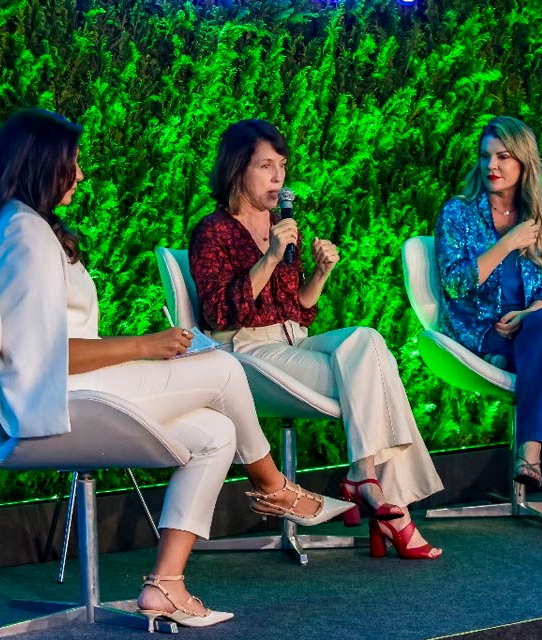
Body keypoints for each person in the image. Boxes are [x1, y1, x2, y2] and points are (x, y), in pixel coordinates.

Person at [0, 109, 353, 627]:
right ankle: (273, 485)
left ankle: (165, 586)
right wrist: (145, 345)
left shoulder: (21, 227)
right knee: (222, 369)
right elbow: (48, 355)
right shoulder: (27, 235)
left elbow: (56, 340)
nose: (81, 175)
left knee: (217, 432)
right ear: (40, 164)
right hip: (54, 398)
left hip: (64, 387)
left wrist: (152, 347)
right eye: (73, 163)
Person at [189, 119, 443, 560]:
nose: (278, 177)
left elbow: (299, 308)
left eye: (281, 166)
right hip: (245, 352)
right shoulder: (213, 230)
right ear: (237, 170)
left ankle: (364, 476)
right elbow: (219, 314)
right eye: (265, 166)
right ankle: (388, 503)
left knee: (367, 341)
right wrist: (269, 257)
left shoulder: (284, 227)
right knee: (372, 372)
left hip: (291, 343)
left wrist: (321, 274)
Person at [434, 116, 542, 514]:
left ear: (523, 162)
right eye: (485, 156)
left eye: (503, 156)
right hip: (483, 330)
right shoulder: (458, 213)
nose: (491, 165)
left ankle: (531, 453)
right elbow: (455, 284)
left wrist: (531, 313)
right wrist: (506, 243)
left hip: (532, 326)